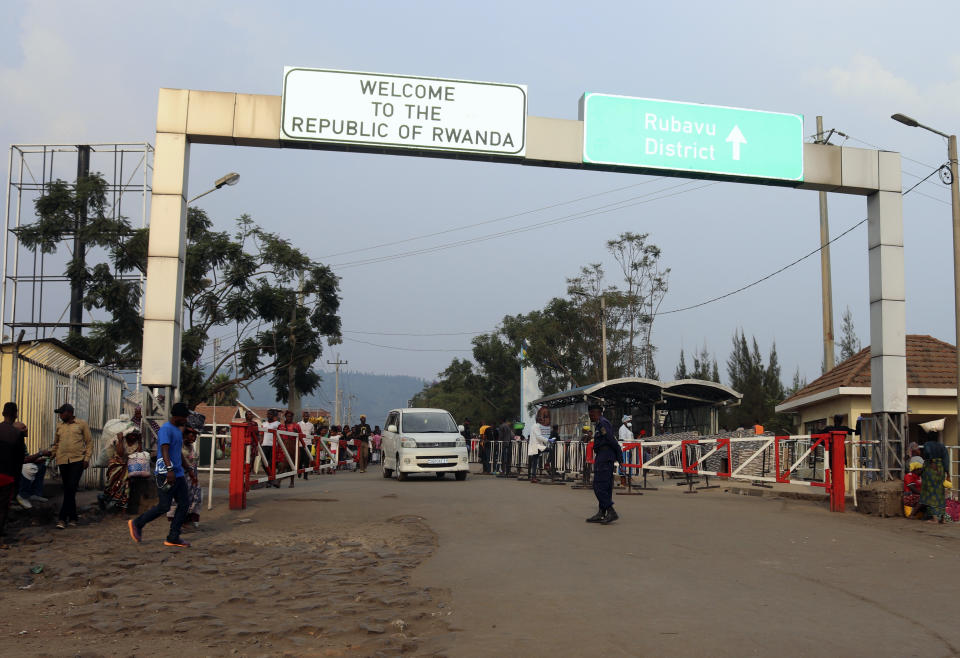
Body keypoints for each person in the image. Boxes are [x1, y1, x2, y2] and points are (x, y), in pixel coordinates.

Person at [128, 401, 193, 548]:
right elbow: (164, 450)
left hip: (179, 474)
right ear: (177, 416)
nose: (186, 420)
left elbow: (177, 452)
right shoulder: (166, 430)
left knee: (184, 504)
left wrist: (188, 469)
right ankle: (137, 523)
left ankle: (173, 537)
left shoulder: (177, 430)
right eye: (184, 417)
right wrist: (169, 470)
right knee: (164, 506)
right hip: (166, 474)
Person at [0, 403, 46, 548]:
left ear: (2, 413)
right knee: (3, 507)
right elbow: (20, 460)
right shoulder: (16, 435)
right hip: (7, 475)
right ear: (15, 414)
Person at [51, 403, 92, 530]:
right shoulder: (59, 426)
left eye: (61, 413)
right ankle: (73, 518)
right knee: (69, 490)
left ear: (69, 413)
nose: (60, 416)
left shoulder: (81, 424)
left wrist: (87, 459)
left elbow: (89, 442)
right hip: (63, 461)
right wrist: (50, 456)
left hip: (77, 460)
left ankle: (62, 518)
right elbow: (56, 444)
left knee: (71, 488)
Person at [586, 404, 622, 525]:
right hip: (603, 456)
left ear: (596, 413)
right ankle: (602, 512)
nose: (590, 416)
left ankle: (611, 511)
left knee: (598, 485)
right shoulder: (599, 424)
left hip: (605, 457)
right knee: (605, 486)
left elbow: (611, 439)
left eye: (591, 414)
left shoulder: (603, 423)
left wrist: (619, 454)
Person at [100, 426, 145, 513]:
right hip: (116, 466)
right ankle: (105, 501)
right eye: (132, 435)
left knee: (125, 487)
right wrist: (120, 440)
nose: (133, 437)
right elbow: (120, 454)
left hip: (127, 466)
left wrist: (139, 441)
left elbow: (138, 454)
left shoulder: (136, 442)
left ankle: (123, 510)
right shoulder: (120, 440)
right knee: (112, 485)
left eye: (135, 435)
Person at [167, 426, 202, 528]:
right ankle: (178, 523)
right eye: (192, 435)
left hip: (192, 478)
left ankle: (187, 520)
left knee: (195, 497)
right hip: (182, 476)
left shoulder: (191, 447)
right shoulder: (179, 446)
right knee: (180, 500)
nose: (194, 438)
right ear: (185, 435)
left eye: (195, 435)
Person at [920, 431, 949, 524]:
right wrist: (947, 473)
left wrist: (932, 461)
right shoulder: (942, 446)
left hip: (931, 469)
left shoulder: (927, 444)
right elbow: (946, 459)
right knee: (940, 492)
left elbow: (927, 452)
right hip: (940, 469)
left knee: (930, 492)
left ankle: (934, 518)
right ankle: (943, 518)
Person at [527, 409, 550, 483]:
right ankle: (547, 464)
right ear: (539, 421)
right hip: (537, 446)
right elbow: (539, 436)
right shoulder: (537, 427)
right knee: (551, 450)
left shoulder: (534, 426)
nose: (543, 421)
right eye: (542, 420)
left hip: (536, 446)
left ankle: (533, 476)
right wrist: (548, 440)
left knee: (534, 462)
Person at [260, 409, 281, 487]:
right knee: (263, 463)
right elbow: (261, 435)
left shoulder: (277, 424)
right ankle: (272, 479)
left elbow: (280, 436)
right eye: (268, 414)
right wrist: (259, 444)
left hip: (273, 446)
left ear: (273, 415)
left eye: (271, 414)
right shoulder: (264, 424)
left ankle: (270, 480)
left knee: (271, 463)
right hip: (264, 445)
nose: (269, 415)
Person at [298, 411, 315, 478]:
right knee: (300, 459)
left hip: (308, 444)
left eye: (307, 416)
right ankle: (299, 472)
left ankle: (305, 475)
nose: (306, 417)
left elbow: (312, 434)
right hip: (300, 444)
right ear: (303, 416)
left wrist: (313, 440)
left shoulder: (311, 425)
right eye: (305, 416)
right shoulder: (298, 424)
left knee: (307, 459)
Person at [618, 415, 633, 487]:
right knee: (623, 465)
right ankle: (623, 482)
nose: (630, 423)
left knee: (629, 465)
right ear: (625, 422)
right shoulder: (622, 429)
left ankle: (627, 482)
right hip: (624, 449)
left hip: (629, 449)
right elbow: (622, 440)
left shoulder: (628, 429)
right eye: (629, 421)